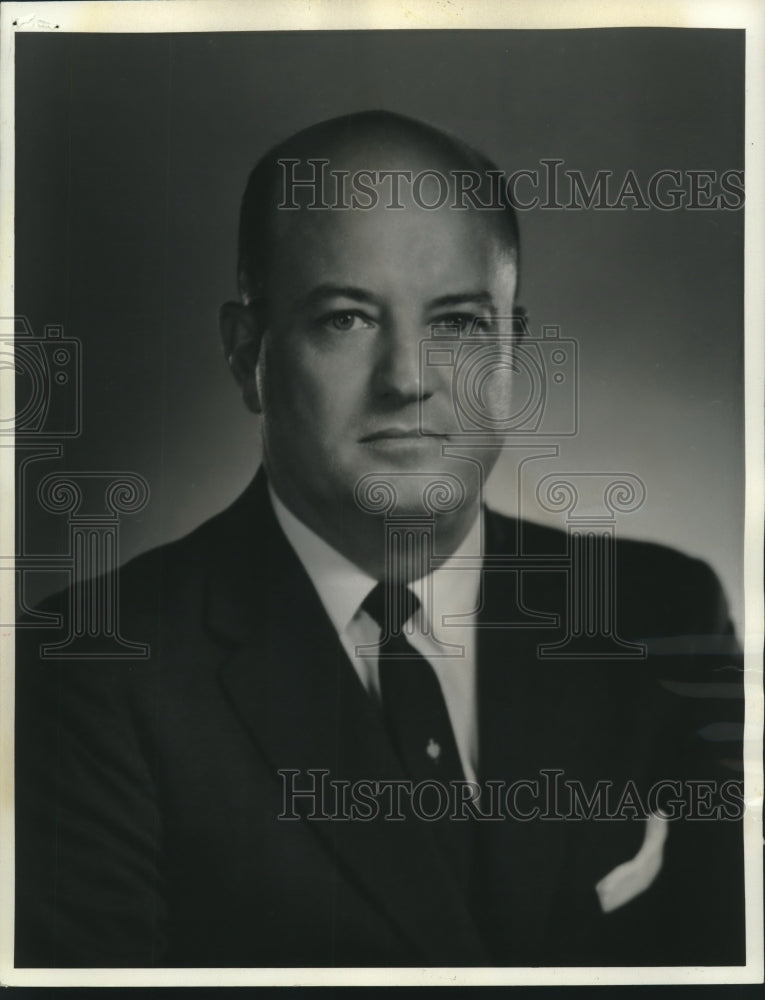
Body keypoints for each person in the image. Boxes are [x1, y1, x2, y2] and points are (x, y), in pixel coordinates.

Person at [15, 110, 744, 969]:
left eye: (459, 324)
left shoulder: (661, 617)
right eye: (346, 318)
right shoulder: (90, 671)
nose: (408, 380)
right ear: (246, 351)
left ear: (512, 347)